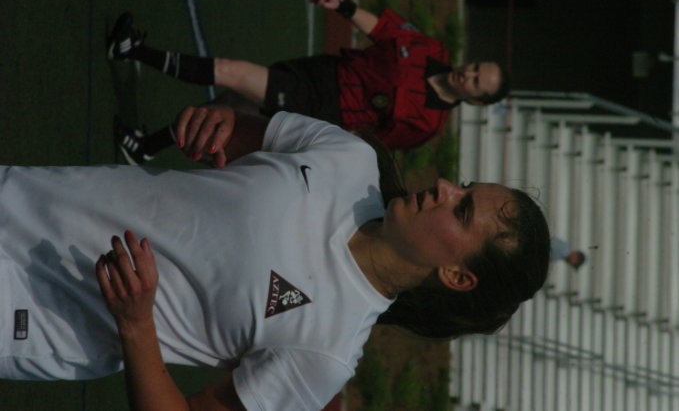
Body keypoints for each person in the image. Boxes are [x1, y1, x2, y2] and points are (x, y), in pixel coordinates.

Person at [0, 107, 549, 410]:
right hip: (19, 195)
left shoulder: (325, 355)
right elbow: (244, 130)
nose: (446, 187)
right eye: (464, 185)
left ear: (456, 276)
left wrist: (137, 326)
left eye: (462, 209)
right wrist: (219, 125)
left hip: (30, 311)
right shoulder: (351, 159)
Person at [107, 0, 510, 164]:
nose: (469, 73)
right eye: (476, 67)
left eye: (477, 82)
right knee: (227, 106)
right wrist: (344, 7)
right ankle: (145, 148)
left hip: (323, 107)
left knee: (233, 73)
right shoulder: (433, 50)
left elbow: (373, 142)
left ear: (476, 100)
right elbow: (385, 31)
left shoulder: (426, 123)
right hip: (321, 70)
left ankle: (130, 49)